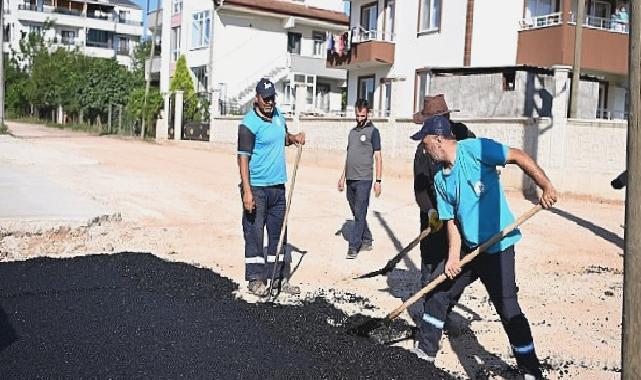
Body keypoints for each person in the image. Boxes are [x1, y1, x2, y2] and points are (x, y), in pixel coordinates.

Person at [410, 115, 557, 379]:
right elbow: (451, 220)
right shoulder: (441, 180)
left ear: (438, 139)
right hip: (469, 247)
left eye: (425, 143)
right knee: (438, 293)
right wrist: (453, 257)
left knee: (508, 310)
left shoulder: (475, 149)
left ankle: (530, 371)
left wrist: (544, 185)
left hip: (499, 246)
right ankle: (424, 355)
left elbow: (518, 156)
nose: (423, 149)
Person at [412, 95, 476, 357]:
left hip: (460, 218)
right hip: (434, 217)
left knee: (453, 271)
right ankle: (429, 325)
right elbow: (419, 188)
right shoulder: (422, 149)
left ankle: (442, 315)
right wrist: (431, 212)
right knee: (430, 269)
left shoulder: (465, 136)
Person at [237, 78, 305, 297]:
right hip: (256, 187)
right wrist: (247, 191)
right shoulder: (248, 124)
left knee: (279, 234)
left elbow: (282, 137)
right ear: (256, 98)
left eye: (272, 98)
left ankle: (277, 279)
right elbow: (243, 159)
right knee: (254, 234)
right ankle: (256, 279)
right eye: (265, 98)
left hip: (278, 187)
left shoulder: (278, 116)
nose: (269, 102)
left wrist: (293, 138)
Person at [337, 99, 382, 259]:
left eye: (362, 115)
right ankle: (367, 238)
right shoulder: (352, 132)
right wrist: (342, 177)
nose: (360, 118)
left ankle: (354, 246)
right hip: (350, 178)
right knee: (357, 212)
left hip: (364, 179)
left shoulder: (373, 132)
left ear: (367, 113)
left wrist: (378, 181)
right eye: (357, 115)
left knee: (360, 211)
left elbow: (378, 156)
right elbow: (349, 156)